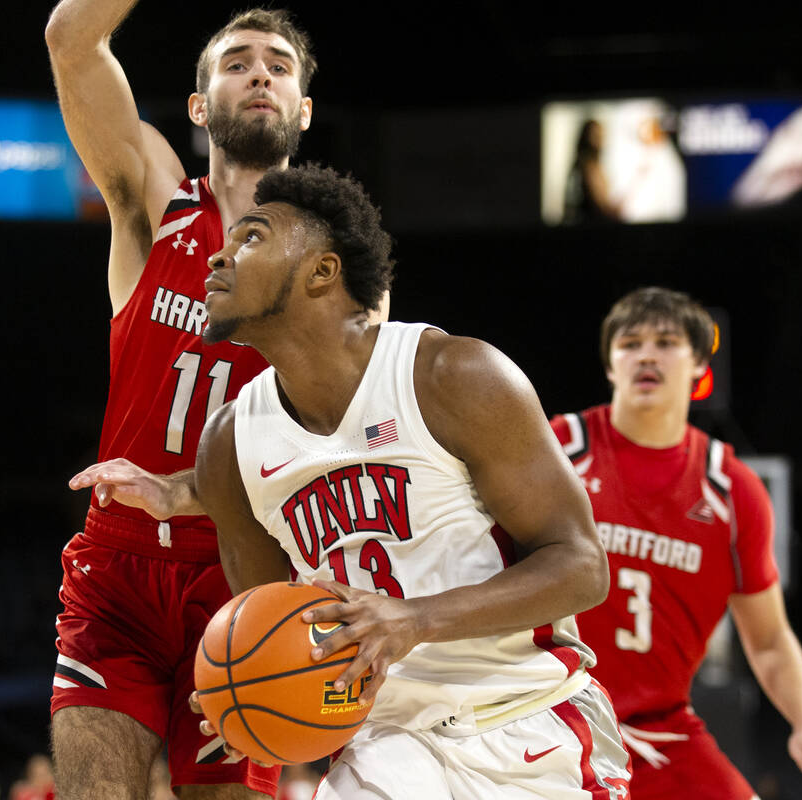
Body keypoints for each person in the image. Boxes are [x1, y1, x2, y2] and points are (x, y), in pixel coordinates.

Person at [99, 162, 632, 798]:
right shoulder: (228, 446)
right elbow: (281, 629)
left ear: (323, 271)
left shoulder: (452, 375)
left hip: (525, 718)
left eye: (252, 238)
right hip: (384, 747)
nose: (218, 255)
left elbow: (580, 566)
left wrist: (414, 619)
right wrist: (250, 695)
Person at [44, 4, 336, 798]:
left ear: (303, 109)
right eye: (238, 61)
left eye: (279, 64)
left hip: (244, 567)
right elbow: (72, 40)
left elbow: (344, 440)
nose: (260, 73)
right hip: (121, 562)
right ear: (201, 104)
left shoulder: (332, 269)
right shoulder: (155, 200)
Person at [548, 286, 802, 799]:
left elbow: (770, 639)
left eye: (666, 342)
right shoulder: (558, 449)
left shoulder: (732, 489)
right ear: (609, 366)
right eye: (629, 343)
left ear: (699, 368)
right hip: (550, 717)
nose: (646, 353)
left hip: (660, 730)